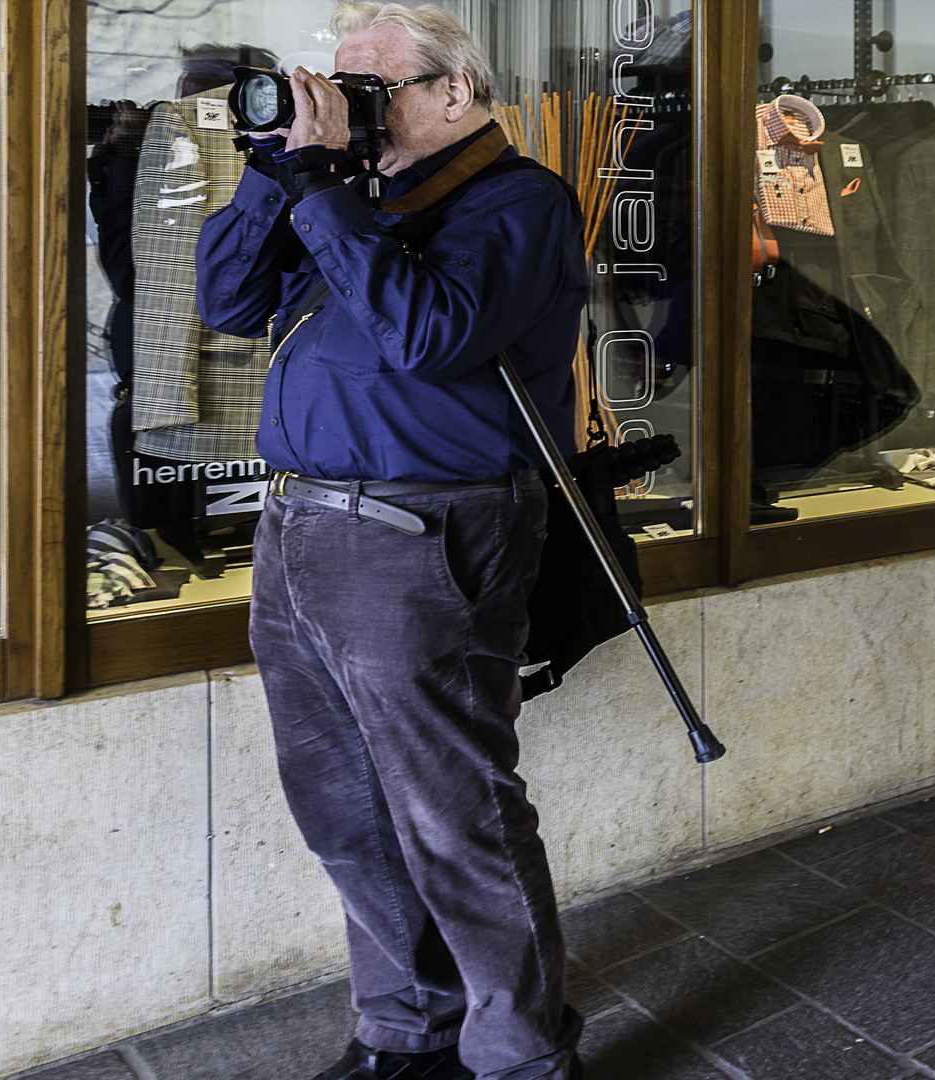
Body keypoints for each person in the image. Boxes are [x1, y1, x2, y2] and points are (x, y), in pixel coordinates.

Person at [195, 4, 588, 1078]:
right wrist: (279, 173)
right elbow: (229, 300)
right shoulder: (358, 198)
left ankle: (520, 1055)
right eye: (340, 87)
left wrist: (326, 189)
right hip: (302, 528)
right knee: (341, 809)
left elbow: (428, 336)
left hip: (424, 534)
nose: (348, 110)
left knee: (453, 813)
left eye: (371, 89)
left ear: (453, 93)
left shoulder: (520, 201)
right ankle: (406, 1032)